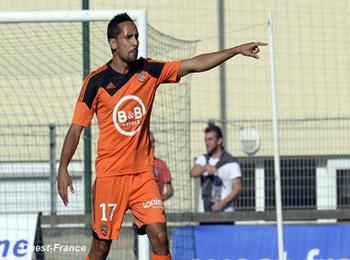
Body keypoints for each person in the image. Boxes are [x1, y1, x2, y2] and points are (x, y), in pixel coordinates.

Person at [56, 12, 266, 260]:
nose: (135, 42)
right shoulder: (96, 82)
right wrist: (63, 167)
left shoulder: (150, 70)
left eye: (136, 36)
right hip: (110, 177)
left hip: (143, 176)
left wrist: (235, 50)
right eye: (128, 37)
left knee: (159, 235)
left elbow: (194, 64)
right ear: (113, 43)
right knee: (101, 248)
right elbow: (76, 128)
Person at [133, 131, 174, 258]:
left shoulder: (160, 164)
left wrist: (158, 199)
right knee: (139, 248)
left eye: (153, 141)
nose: (152, 144)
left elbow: (170, 189)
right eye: (149, 141)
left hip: (155, 211)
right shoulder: (135, 165)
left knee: (159, 243)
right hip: (139, 214)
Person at [191, 123, 242, 213]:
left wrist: (222, 204)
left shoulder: (231, 162)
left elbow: (237, 189)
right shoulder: (203, 159)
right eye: (205, 140)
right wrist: (205, 168)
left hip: (225, 214)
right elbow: (193, 173)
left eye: (210, 139)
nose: (207, 143)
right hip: (204, 214)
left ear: (219, 141)